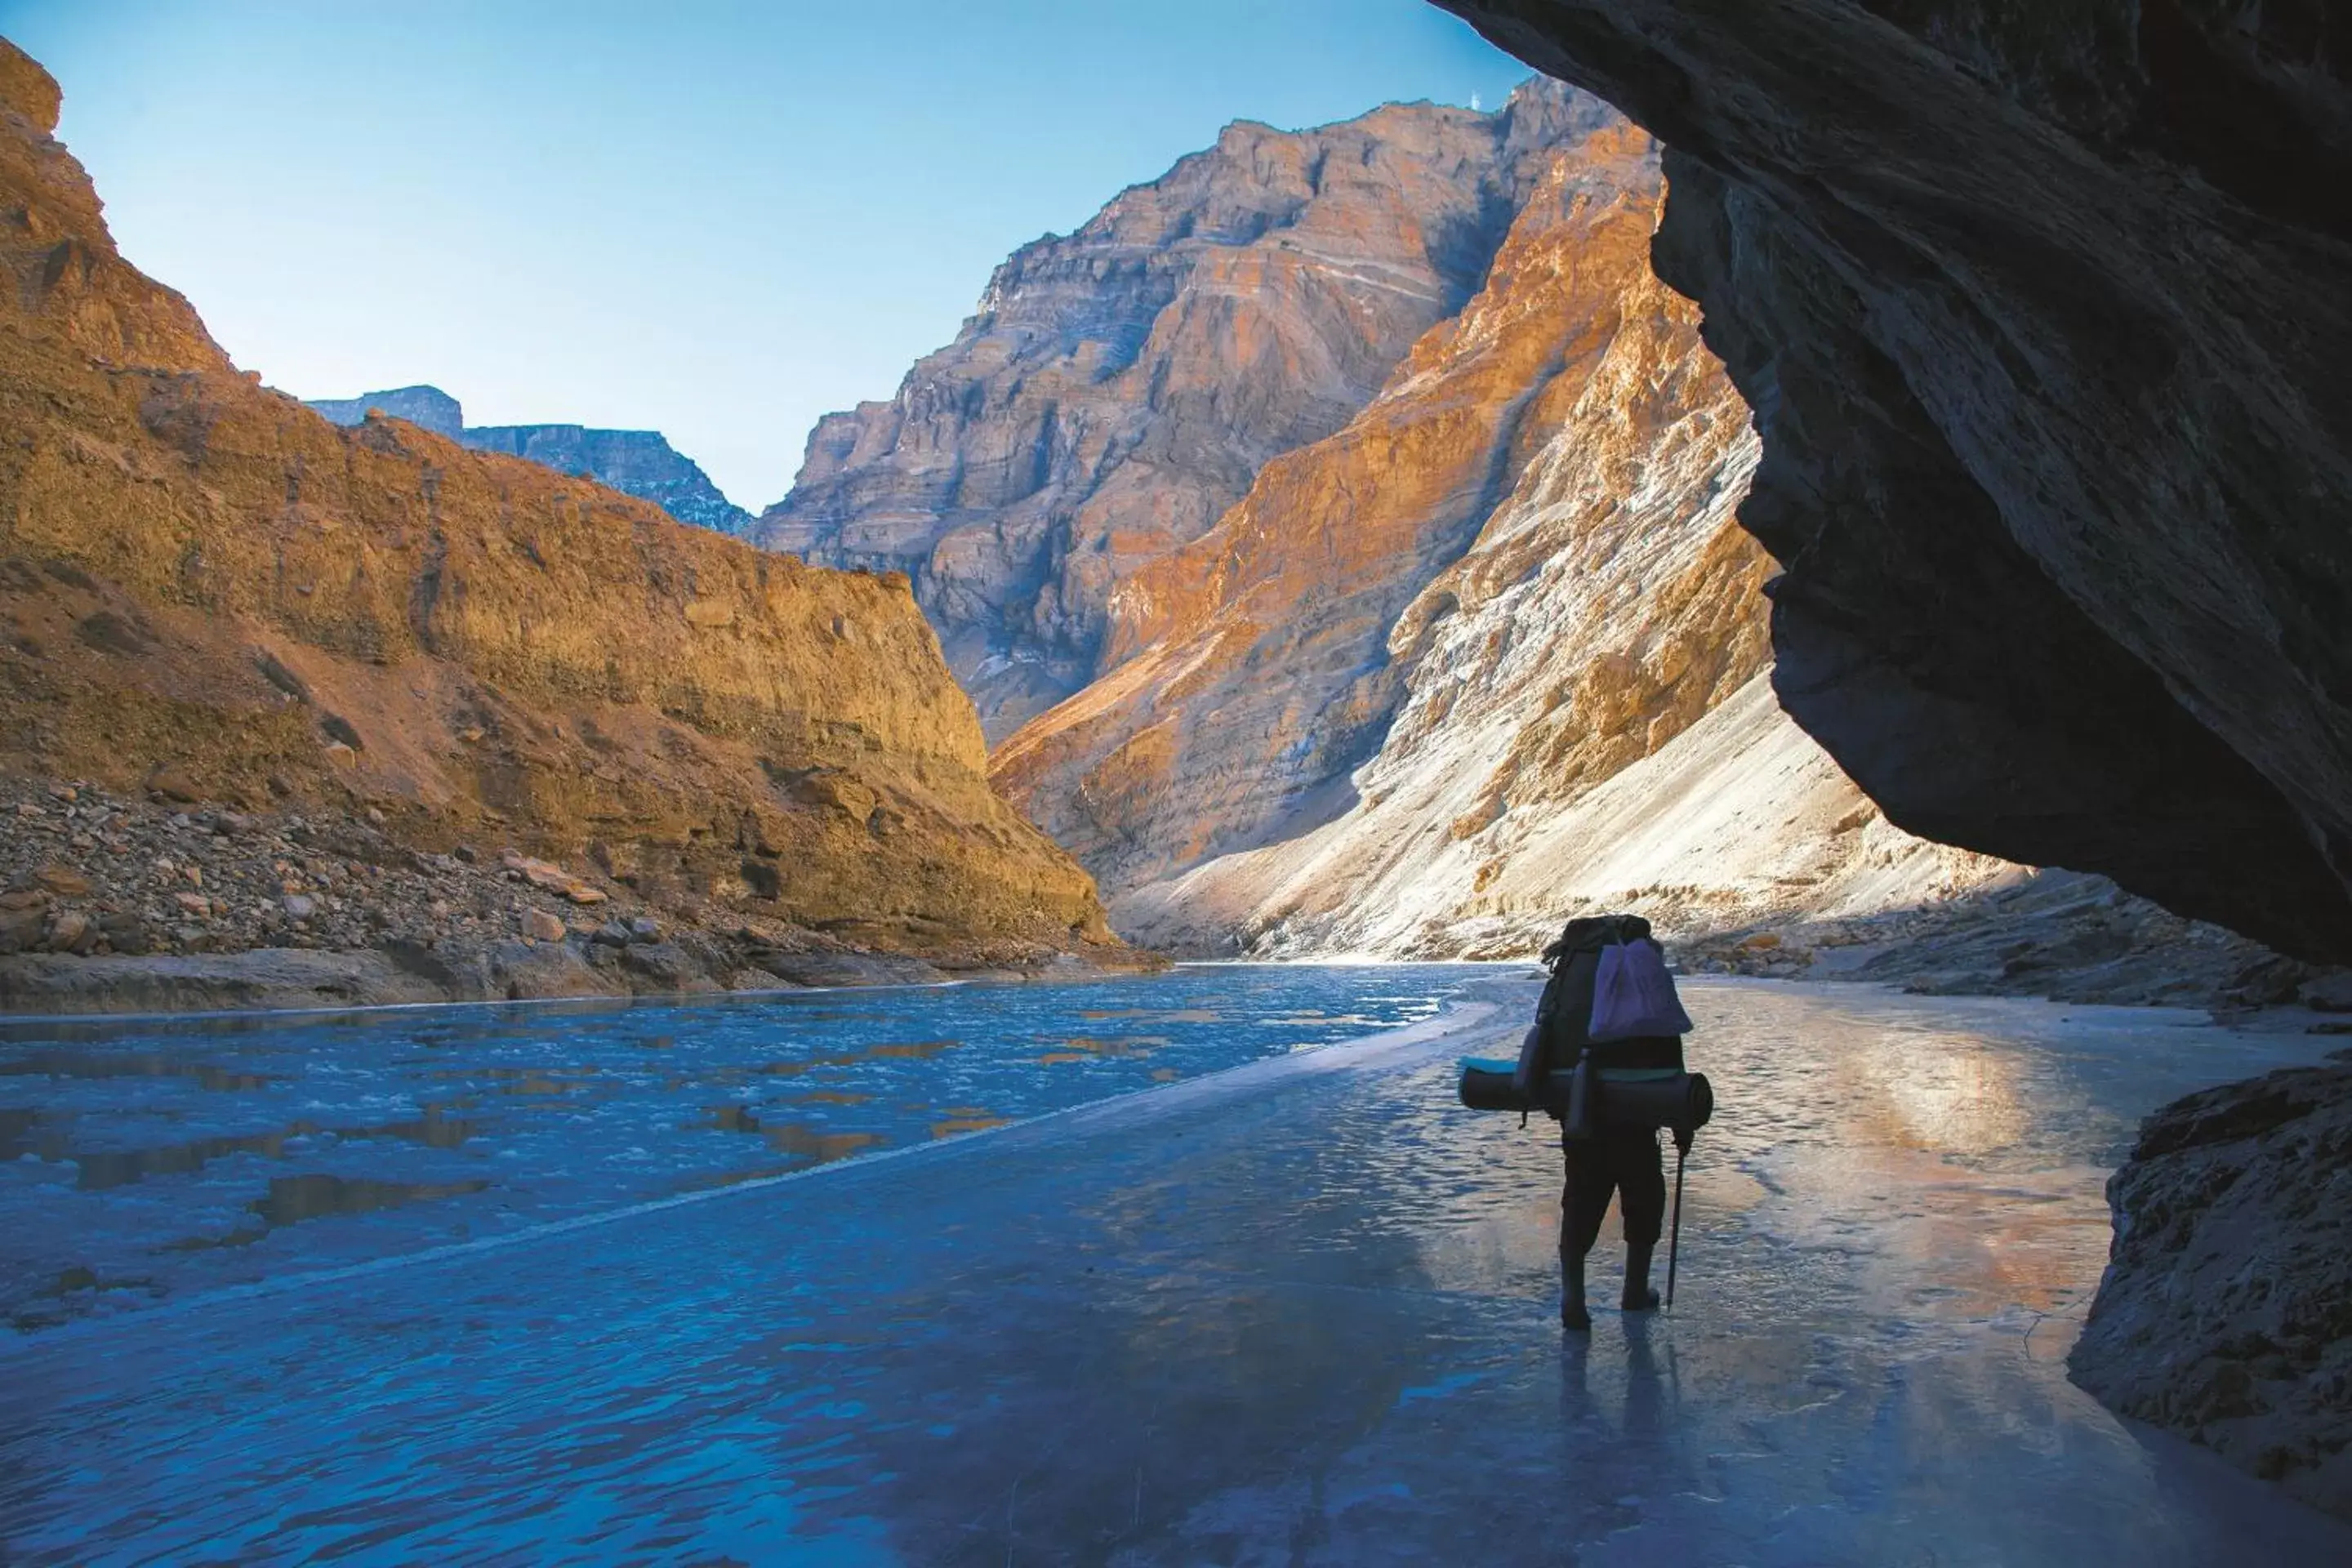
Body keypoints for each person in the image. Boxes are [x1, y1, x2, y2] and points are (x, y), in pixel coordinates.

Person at [1530, 915, 1685, 1332]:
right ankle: (1634, 1291)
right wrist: (1681, 1118)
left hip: (1580, 1110)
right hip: (1637, 1112)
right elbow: (1668, 1042)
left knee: (1580, 1193)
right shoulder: (1641, 968)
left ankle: (1572, 1296)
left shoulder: (1572, 972)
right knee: (1644, 1191)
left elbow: (1547, 1036)